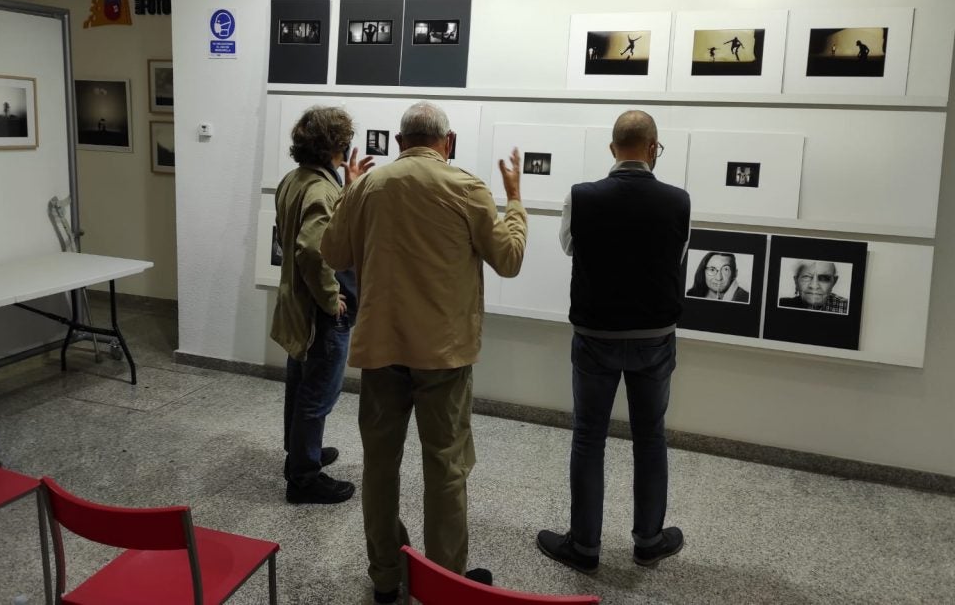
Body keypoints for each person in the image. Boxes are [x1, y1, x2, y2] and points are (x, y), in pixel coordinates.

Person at [321, 101, 528, 604]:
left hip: (382, 349)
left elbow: (332, 253)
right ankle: (444, 583)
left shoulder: (369, 186)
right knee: (446, 468)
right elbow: (509, 259)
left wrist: (349, 193)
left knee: (379, 464)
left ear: (398, 143)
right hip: (444, 355)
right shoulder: (468, 187)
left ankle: (387, 575)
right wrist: (516, 200)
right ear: (448, 142)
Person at [537, 110, 691, 574]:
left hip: (595, 335)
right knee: (650, 439)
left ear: (612, 149)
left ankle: (584, 546)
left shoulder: (581, 197)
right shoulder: (678, 201)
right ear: (652, 148)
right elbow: (677, 254)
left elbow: (568, 245)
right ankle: (648, 540)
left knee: (589, 439)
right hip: (654, 338)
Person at [270, 106, 373, 505]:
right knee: (318, 393)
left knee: (300, 383)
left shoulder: (294, 180)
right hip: (322, 312)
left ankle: (298, 454)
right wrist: (332, 300)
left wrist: (346, 188)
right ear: (338, 144)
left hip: (299, 305)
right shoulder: (319, 189)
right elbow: (312, 250)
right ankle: (304, 477)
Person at [778, 261, 848, 313]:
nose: (814, 286)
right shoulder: (781, 304)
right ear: (796, 281)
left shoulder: (846, 307)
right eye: (806, 277)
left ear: (834, 282)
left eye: (824, 278)